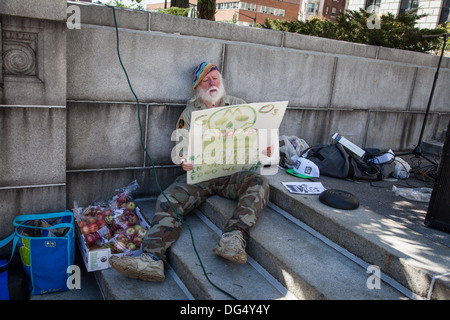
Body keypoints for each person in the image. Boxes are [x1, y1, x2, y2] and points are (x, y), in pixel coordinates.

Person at [109, 62, 271, 282]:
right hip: (200, 176)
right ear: (198, 86)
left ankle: (233, 237)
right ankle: (152, 260)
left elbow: (255, 137)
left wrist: (264, 149)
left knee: (260, 182)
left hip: (233, 174)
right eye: (206, 80)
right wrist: (183, 160)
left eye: (215, 78)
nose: (212, 83)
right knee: (168, 199)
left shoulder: (239, 105)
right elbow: (179, 148)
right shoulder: (191, 112)